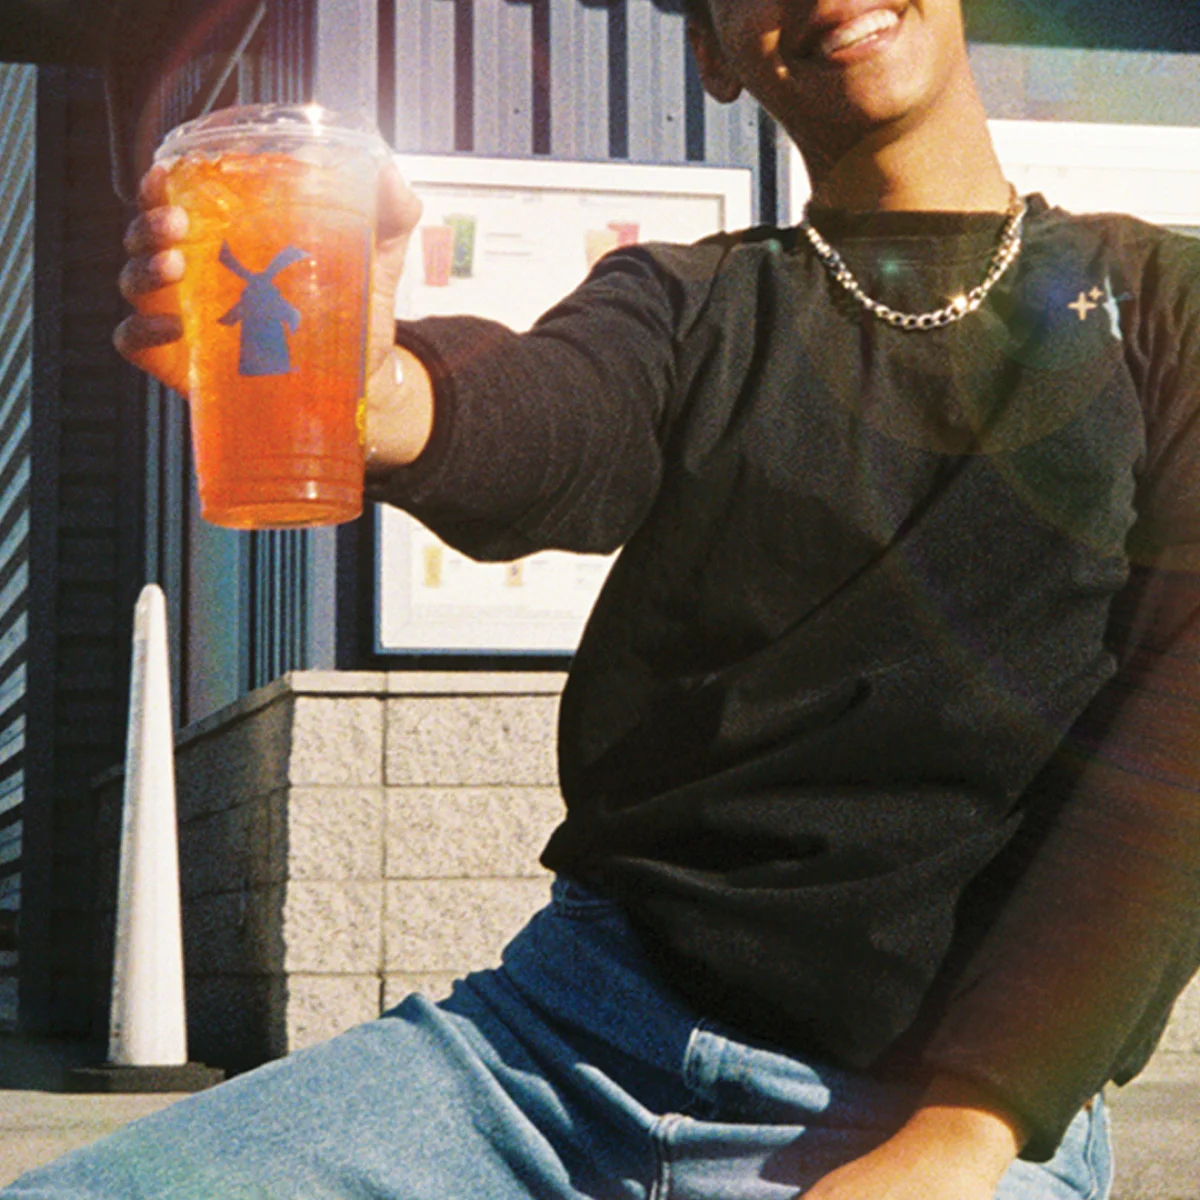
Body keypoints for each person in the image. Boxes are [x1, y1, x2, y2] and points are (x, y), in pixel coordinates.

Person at [10, 0, 1200, 1195]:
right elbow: (548, 425)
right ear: (712, 54)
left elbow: (1178, 759)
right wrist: (371, 386)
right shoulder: (689, 307)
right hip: (543, 1062)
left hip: (929, 1113)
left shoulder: (1164, 304)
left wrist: (965, 1134)